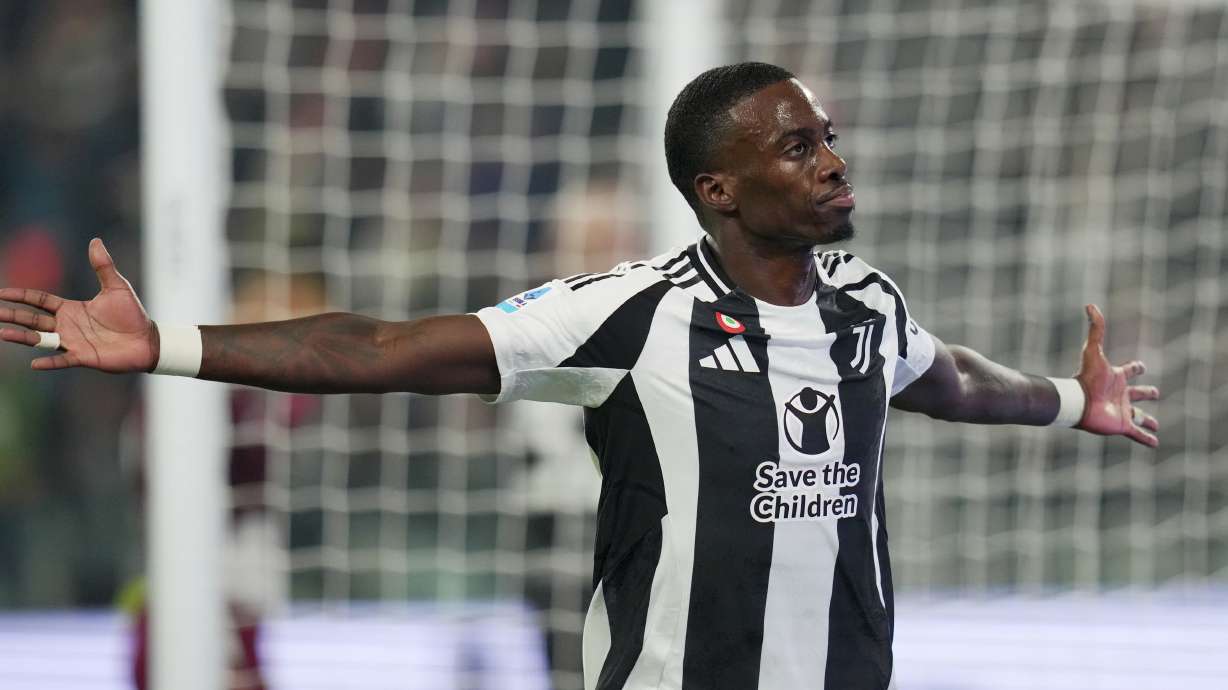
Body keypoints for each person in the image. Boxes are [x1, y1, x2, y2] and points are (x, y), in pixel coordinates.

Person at [0, 62, 1159, 690]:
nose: (832, 164)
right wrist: (173, 345)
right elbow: (390, 348)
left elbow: (937, 377)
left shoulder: (867, 301)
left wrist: (1064, 400)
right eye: (798, 146)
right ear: (719, 188)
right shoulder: (630, 311)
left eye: (829, 138)